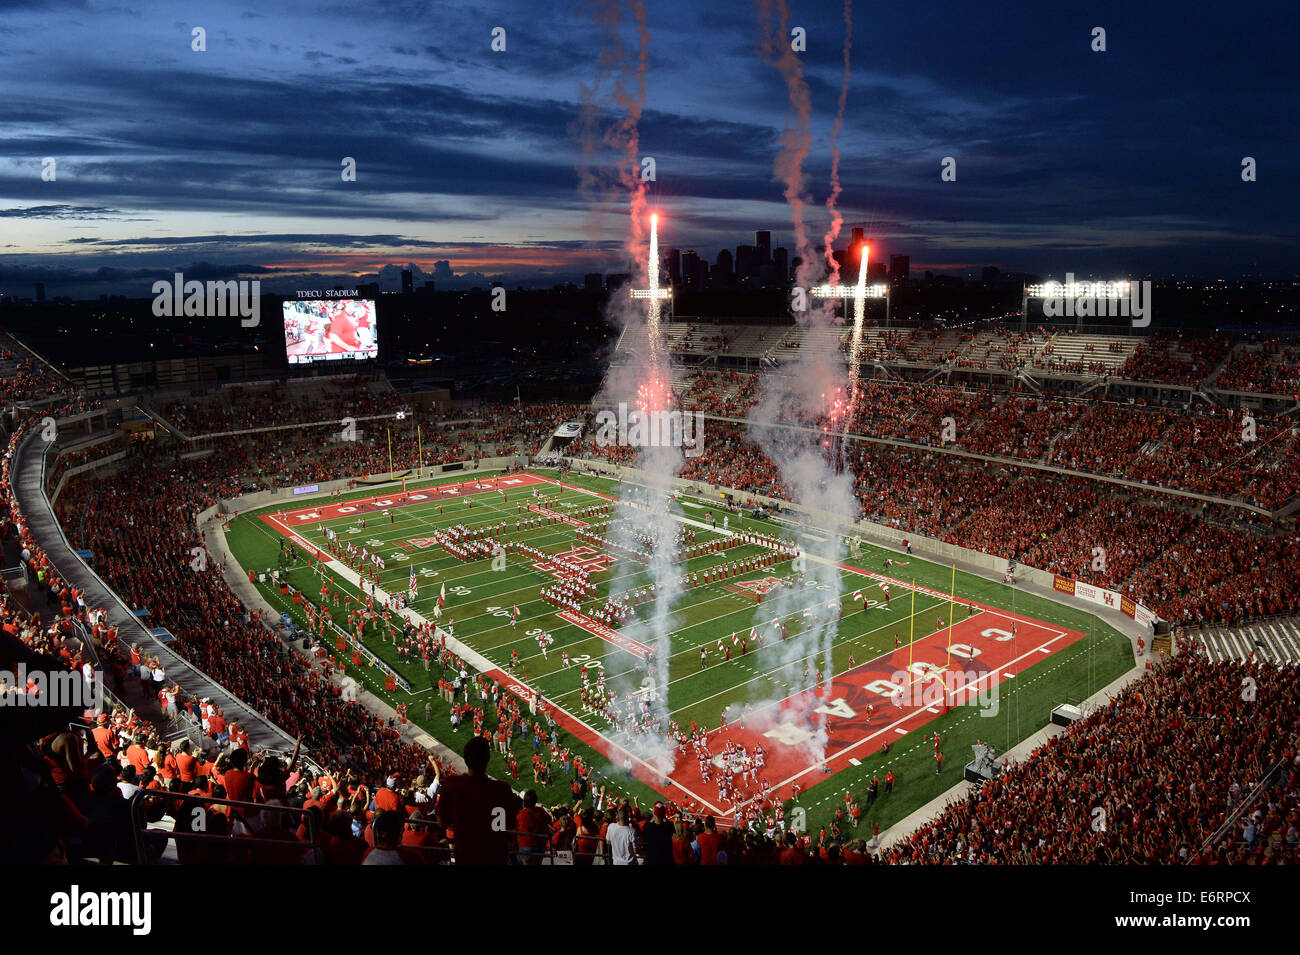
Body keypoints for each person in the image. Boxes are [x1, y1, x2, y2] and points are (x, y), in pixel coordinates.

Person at [436, 736, 520, 865]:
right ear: (488, 759)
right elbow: (509, 826)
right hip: (495, 856)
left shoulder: (451, 785)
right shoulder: (502, 789)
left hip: (466, 855)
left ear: (465, 759)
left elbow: (442, 822)